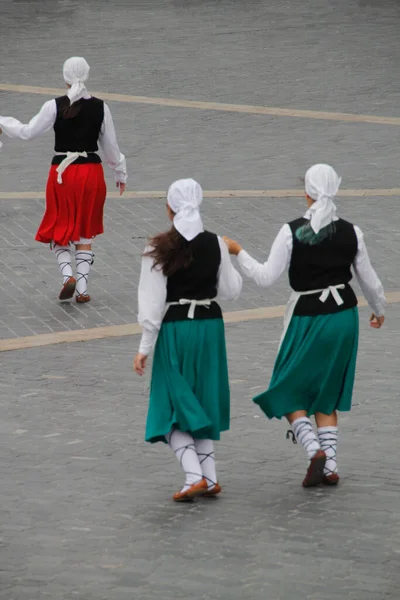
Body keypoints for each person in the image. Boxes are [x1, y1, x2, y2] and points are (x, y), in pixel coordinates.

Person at [223, 164, 386, 488]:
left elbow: (266, 278)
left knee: (286, 387)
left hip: (307, 317)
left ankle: (313, 449)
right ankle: (331, 464)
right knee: (327, 392)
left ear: (307, 191)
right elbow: (368, 278)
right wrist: (379, 309)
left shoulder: (291, 231)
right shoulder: (353, 232)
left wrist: (238, 251)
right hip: (343, 318)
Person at [134, 178, 242, 502]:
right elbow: (231, 291)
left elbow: (152, 305)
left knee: (169, 404)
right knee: (201, 398)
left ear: (170, 208)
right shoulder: (216, 244)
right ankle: (209, 476)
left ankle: (193, 475)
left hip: (178, 328)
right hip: (211, 327)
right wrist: (229, 253)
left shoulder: (158, 248)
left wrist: (143, 350)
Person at [0, 56, 127, 303]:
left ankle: (67, 275)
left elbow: (28, 132)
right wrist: (120, 173)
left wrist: (2, 123)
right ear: (87, 74)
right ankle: (82, 289)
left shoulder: (54, 106)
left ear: (65, 77)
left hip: (63, 174)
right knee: (84, 232)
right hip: (91, 173)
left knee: (60, 227)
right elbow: (111, 148)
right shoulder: (102, 107)